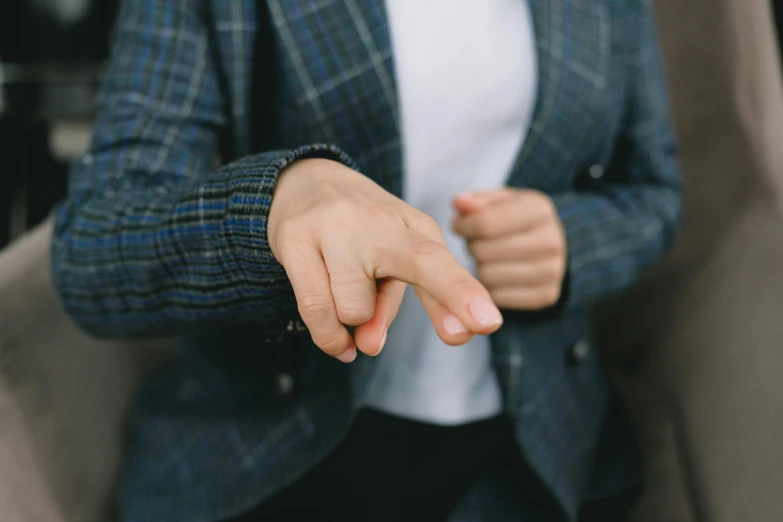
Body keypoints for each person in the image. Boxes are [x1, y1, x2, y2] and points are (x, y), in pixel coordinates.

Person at [50, 0, 682, 521]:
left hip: (531, 444)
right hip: (270, 442)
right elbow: (94, 248)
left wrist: (575, 240)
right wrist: (274, 205)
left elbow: (654, 190)